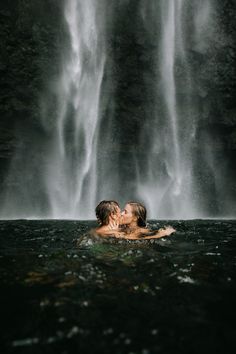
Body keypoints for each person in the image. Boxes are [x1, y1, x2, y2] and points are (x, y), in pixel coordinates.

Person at [95, 200, 175, 240]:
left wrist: (161, 234)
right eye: (122, 211)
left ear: (135, 217)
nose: (122, 214)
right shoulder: (119, 227)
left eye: (125, 212)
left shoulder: (140, 231)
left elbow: (137, 239)